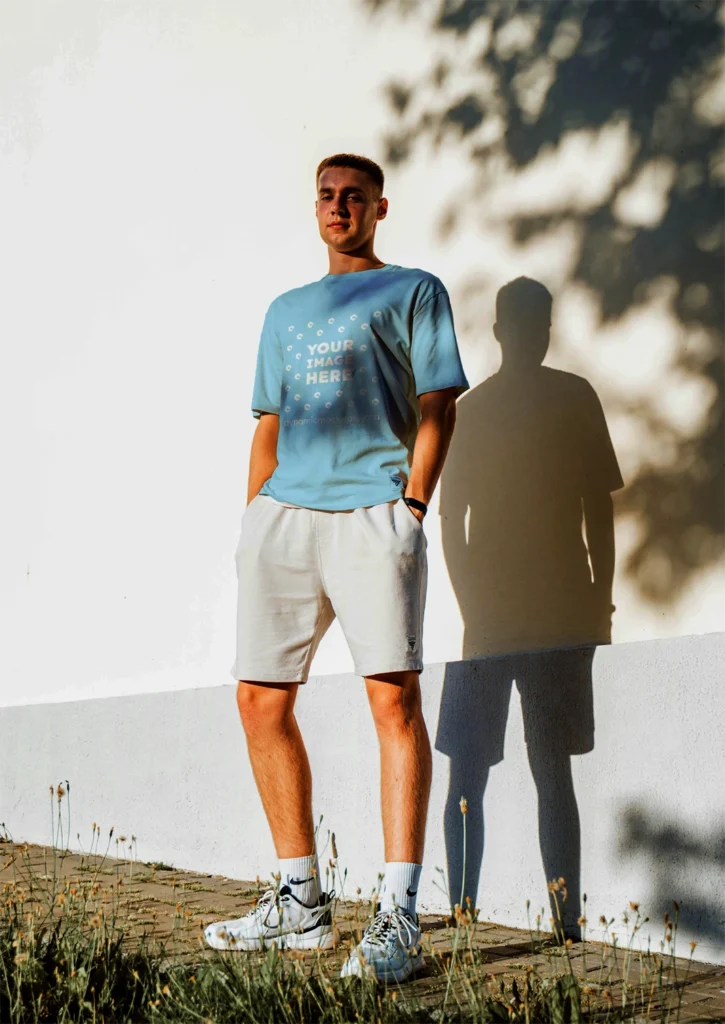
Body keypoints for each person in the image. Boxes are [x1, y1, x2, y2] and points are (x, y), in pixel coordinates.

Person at [204, 153, 469, 982]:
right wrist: (254, 521)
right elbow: (268, 422)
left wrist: (413, 507)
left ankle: (398, 918)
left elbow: (437, 405)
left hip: (371, 514)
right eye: (326, 195)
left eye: (354, 196)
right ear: (315, 207)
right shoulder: (285, 310)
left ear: (379, 207)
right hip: (283, 520)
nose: (338, 207)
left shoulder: (413, 290)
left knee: (392, 701)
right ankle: (300, 902)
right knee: (258, 699)